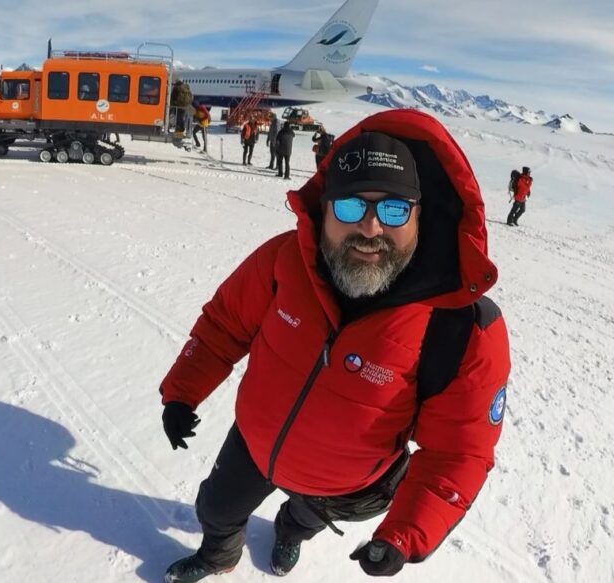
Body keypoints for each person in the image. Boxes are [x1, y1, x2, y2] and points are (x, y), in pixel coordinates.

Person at [160, 109, 510, 582]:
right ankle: (219, 556)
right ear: (323, 208)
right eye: (350, 207)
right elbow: (225, 324)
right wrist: (183, 391)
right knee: (217, 508)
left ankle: (287, 533)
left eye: (393, 209)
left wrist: (404, 534)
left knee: (303, 521)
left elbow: (459, 452)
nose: (369, 229)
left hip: (345, 485)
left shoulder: (461, 326)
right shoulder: (285, 260)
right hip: (254, 443)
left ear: (419, 216)